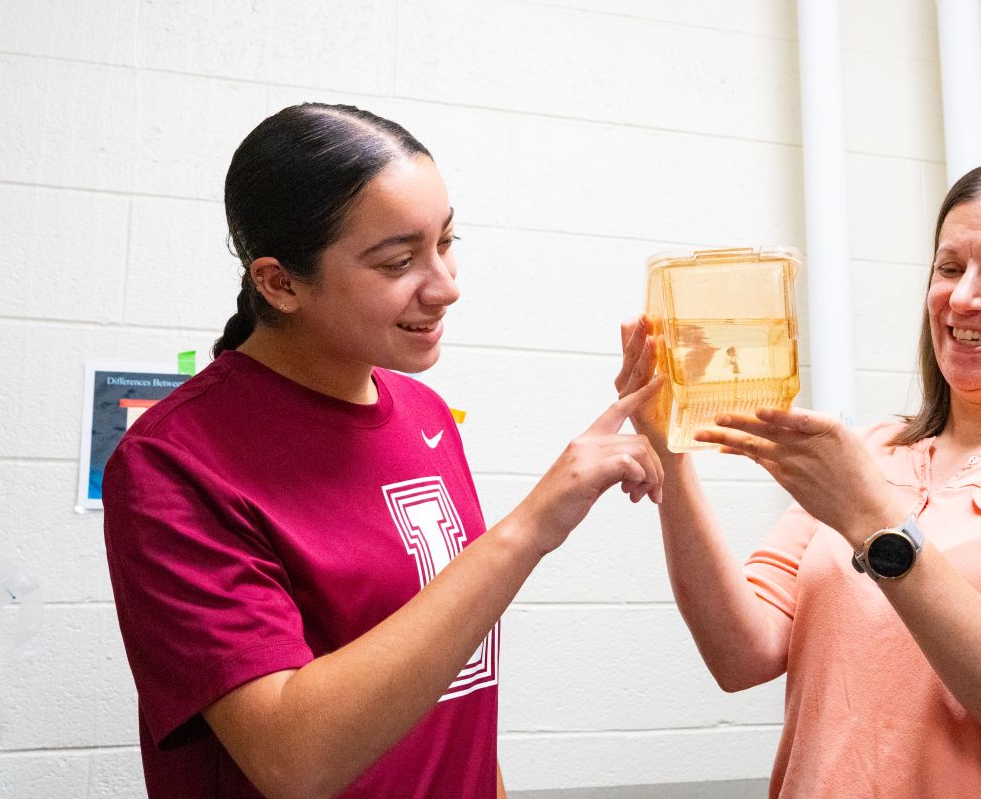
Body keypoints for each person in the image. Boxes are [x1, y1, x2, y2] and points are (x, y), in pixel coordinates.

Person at [103, 103, 664, 799]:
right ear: (279, 283)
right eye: (400, 260)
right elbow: (291, 761)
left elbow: (453, 694)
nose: (446, 285)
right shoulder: (174, 462)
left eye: (447, 242)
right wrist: (528, 529)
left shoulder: (424, 415)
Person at [617, 158, 981, 797]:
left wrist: (875, 523)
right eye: (948, 268)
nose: (963, 297)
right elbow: (740, 653)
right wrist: (668, 450)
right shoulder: (871, 450)